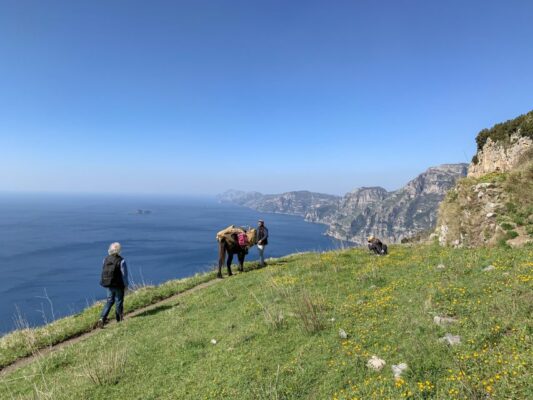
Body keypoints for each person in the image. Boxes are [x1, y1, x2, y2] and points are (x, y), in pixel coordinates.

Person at [97, 242, 129, 328]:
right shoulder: (122, 260)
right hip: (118, 285)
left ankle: (102, 319)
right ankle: (119, 319)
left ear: (110, 249)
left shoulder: (105, 259)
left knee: (109, 301)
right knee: (119, 301)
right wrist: (126, 286)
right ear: (119, 250)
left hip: (108, 284)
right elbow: (124, 275)